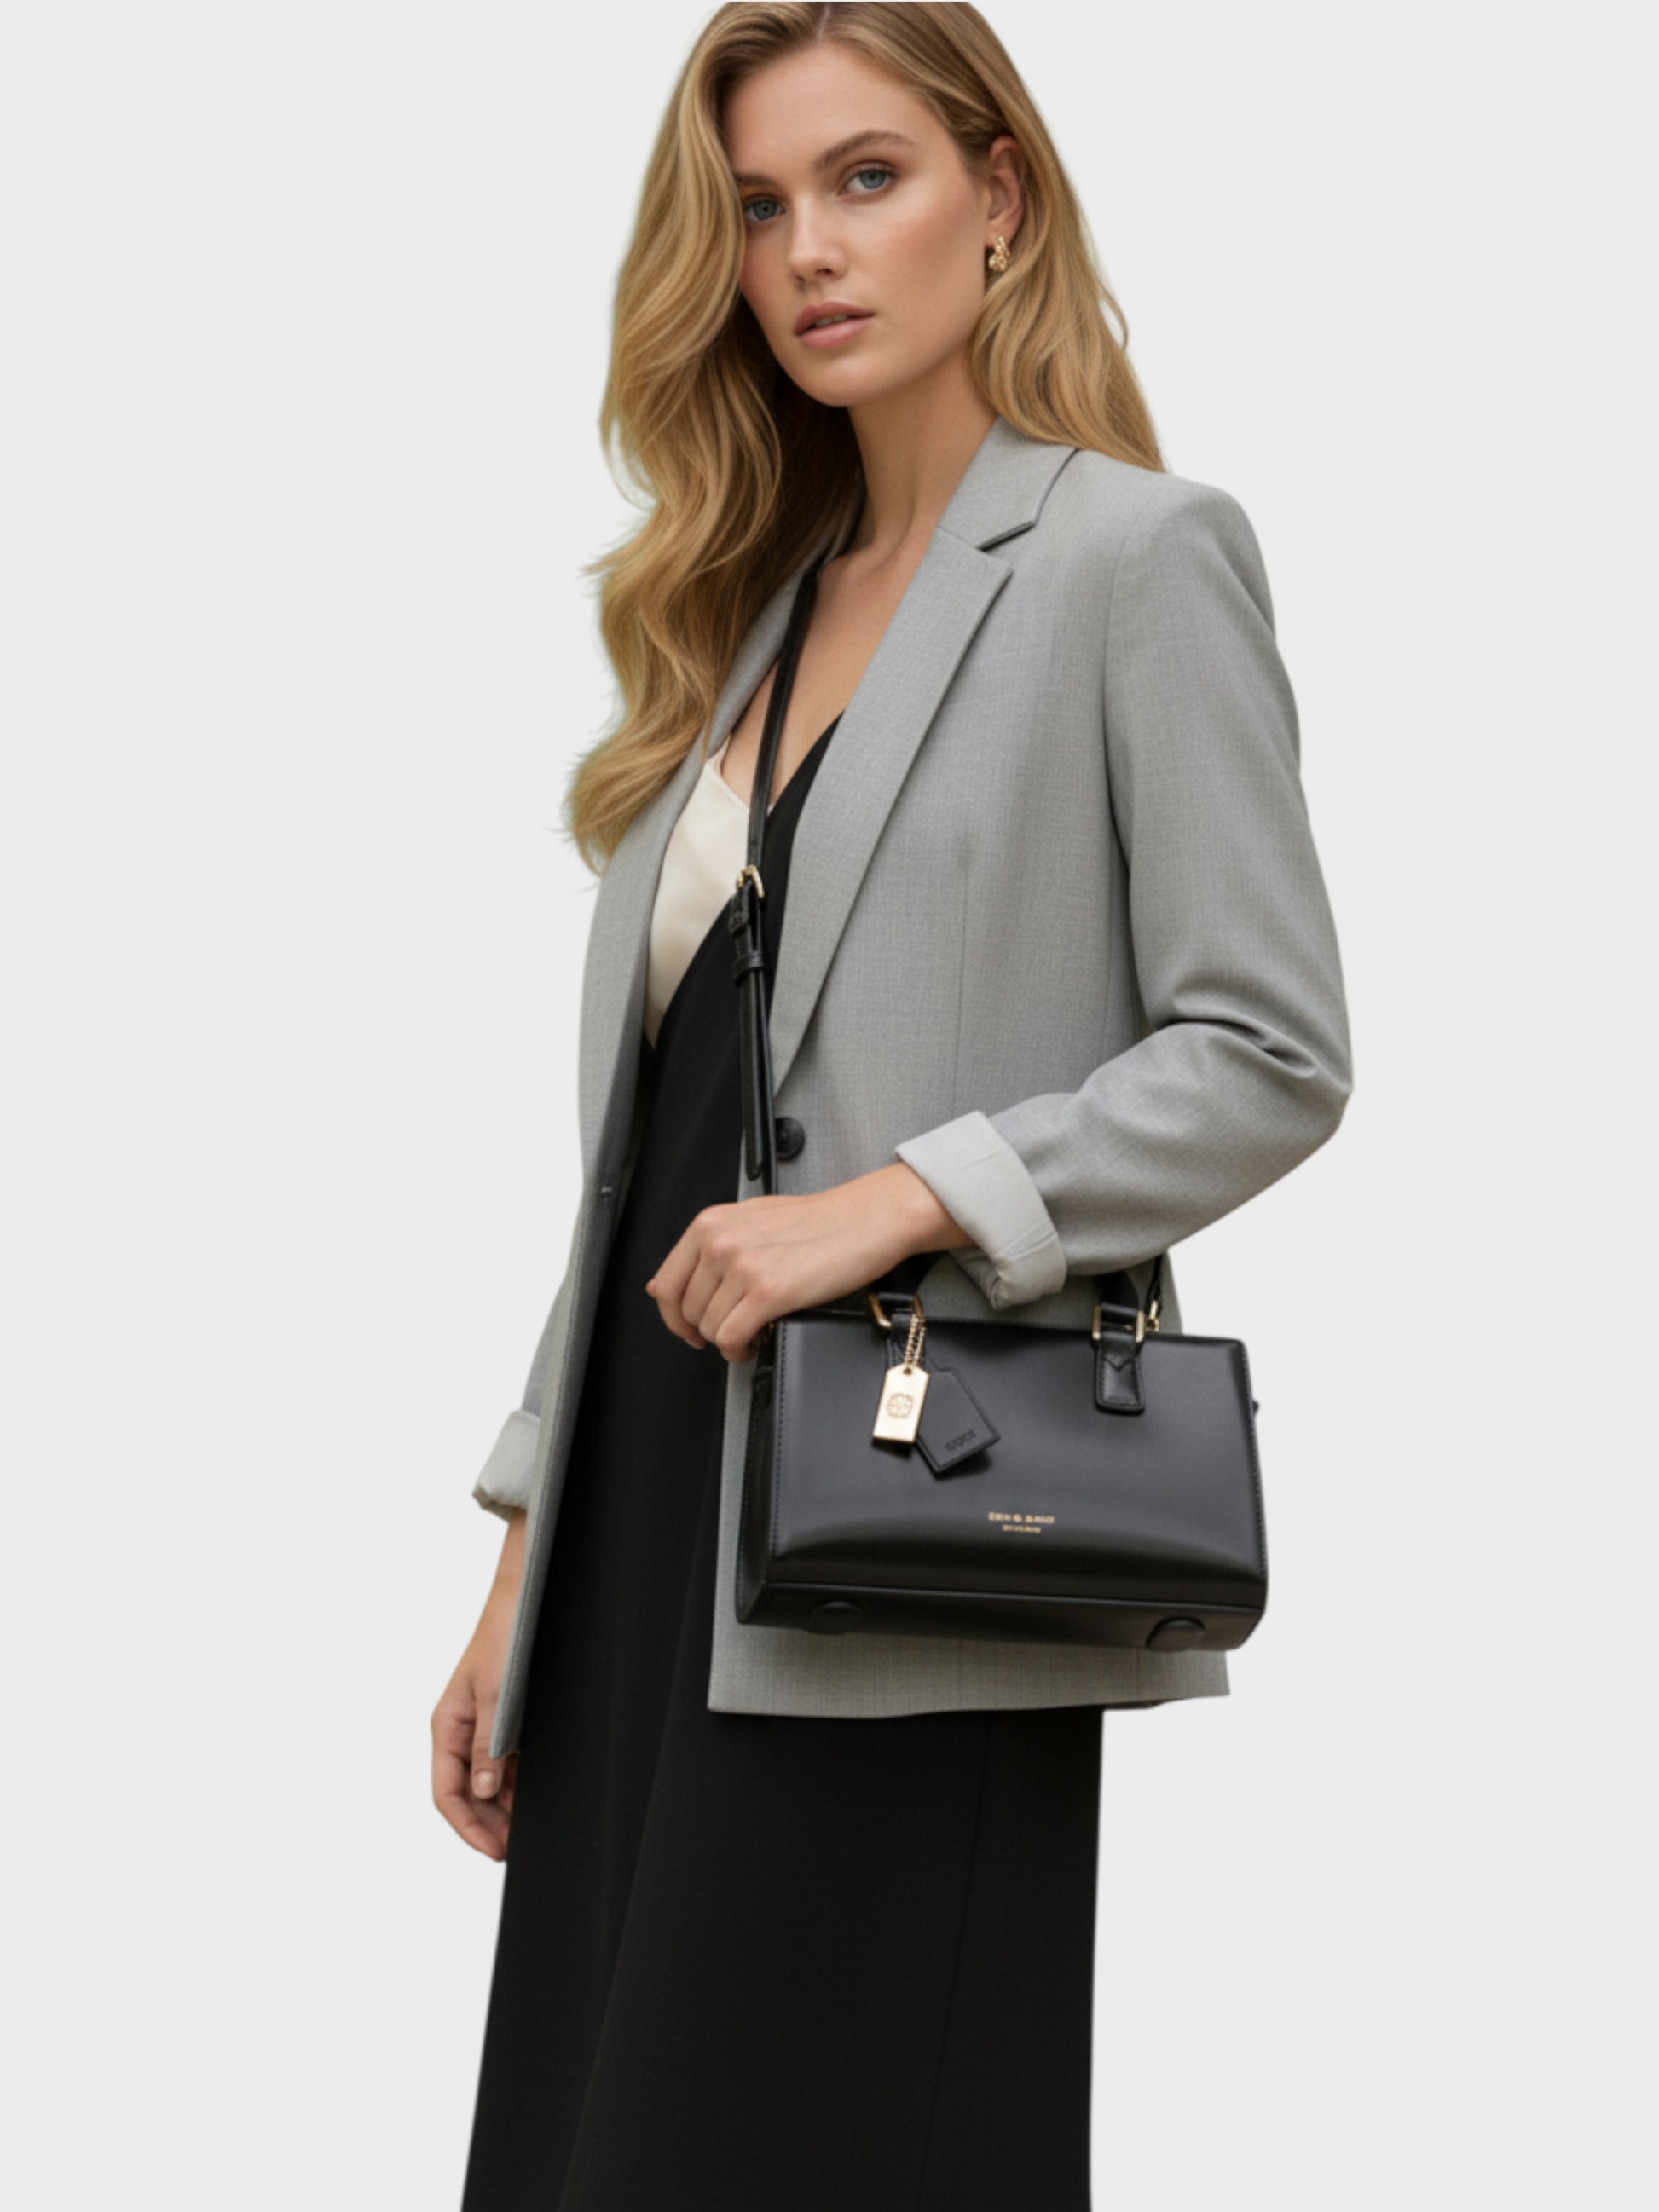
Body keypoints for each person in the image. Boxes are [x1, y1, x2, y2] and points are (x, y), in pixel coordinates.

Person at [436, 7, 1353, 2206]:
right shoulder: (747, 619)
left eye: (869, 179)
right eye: (761, 207)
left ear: (999, 196)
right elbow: (654, 1154)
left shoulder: (1136, 559)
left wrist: (897, 1203)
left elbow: (1269, 1049)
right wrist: (520, 1558)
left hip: (902, 1537)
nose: (808, 253)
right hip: (650, 1527)